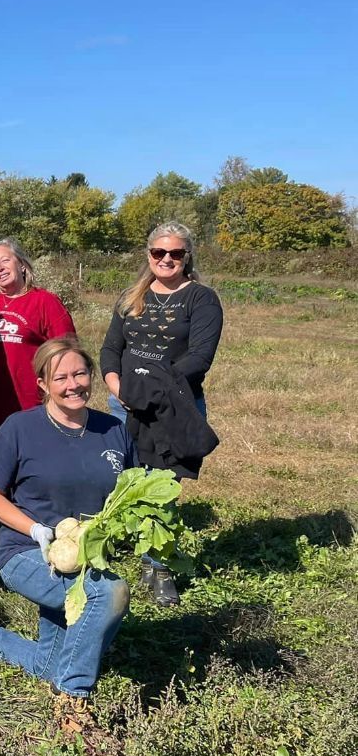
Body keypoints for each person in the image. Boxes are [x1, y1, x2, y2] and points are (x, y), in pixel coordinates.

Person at [0, 337, 135, 733]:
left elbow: (127, 494)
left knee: (50, 661)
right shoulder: (21, 427)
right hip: (27, 552)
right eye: (60, 377)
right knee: (109, 593)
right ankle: (73, 698)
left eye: (80, 373)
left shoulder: (113, 430)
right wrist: (34, 529)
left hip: (84, 557)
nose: (72, 384)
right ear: (43, 384)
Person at [100, 220, 223, 606]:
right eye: (159, 252)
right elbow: (109, 350)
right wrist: (119, 389)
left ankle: (159, 565)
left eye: (175, 253)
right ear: (148, 254)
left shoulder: (201, 299)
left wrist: (152, 392)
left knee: (161, 488)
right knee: (120, 479)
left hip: (172, 407)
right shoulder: (131, 296)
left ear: (187, 257)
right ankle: (119, 550)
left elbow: (199, 358)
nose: (166, 259)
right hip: (124, 404)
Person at [0, 238, 76, 443]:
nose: (0, 268)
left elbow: (69, 354)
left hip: (31, 408)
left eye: (5, 260)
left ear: (21, 264)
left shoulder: (45, 302)